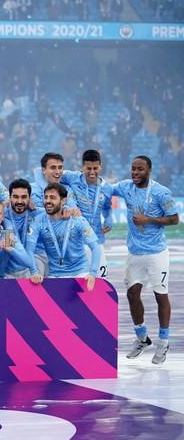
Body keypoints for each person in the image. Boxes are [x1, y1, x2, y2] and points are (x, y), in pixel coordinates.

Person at [113, 156, 179, 364]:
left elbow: (174, 219)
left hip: (157, 253)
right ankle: (142, 337)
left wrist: (148, 220)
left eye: (140, 169)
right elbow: (105, 189)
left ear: (149, 170)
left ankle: (164, 341)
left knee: (160, 295)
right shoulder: (125, 187)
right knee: (132, 294)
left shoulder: (161, 192)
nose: (135, 173)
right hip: (135, 252)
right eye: (133, 169)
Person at [26, 183, 101, 290]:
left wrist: (92, 273)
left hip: (80, 273)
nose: (47, 201)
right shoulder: (38, 221)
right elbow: (29, 250)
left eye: (52, 198)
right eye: (46, 197)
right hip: (55, 275)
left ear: (63, 201)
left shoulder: (77, 219)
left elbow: (96, 248)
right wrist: (34, 272)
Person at [61, 149, 113, 278]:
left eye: (95, 168)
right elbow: (43, 173)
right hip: (76, 241)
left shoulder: (107, 188)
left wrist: (109, 217)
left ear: (100, 167)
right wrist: (68, 202)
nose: (92, 172)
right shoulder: (72, 177)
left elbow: (107, 206)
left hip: (96, 240)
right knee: (76, 283)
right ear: (82, 167)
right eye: (88, 168)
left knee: (101, 281)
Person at [3, 178, 38, 278]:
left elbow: (55, 213)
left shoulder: (37, 213)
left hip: (29, 270)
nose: (19, 201)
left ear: (29, 198)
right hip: (5, 273)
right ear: (9, 198)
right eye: (15, 197)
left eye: (23, 197)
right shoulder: (1, 214)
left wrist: (67, 209)